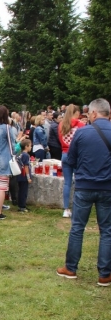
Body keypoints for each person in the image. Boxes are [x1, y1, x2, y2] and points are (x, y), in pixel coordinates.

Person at [56, 98, 111, 286]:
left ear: (94, 113)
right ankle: (105, 274)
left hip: (84, 186)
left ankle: (70, 268)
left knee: (77, 227)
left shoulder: (82, 133)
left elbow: (70, 160)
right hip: (107, 188)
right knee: (107, 231)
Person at [58, 104, 85, 218]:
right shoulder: (81, 125)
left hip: (64, 154)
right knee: (78, 182)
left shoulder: (61, 124)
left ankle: (66, 209)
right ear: (77, 113)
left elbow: (60, 139)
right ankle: (76, 208)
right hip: (77, 155)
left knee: (67, 183)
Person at [17, 139, 33, 212]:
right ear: (26, 147)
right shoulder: (26, 155)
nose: (31, 147)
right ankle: (22, 206)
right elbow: (26, 166)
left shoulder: (20, 154)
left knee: (20, 191)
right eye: (30, 146)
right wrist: (28, 177)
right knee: (24, 191)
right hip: (24, 176)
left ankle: (20, 205)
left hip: (19, 175)